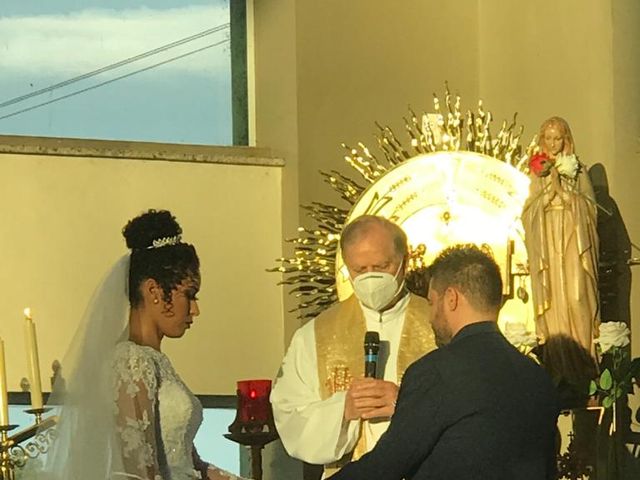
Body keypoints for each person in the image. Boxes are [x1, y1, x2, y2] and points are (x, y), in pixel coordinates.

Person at [31, 210, 245, 480]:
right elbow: (138, 471)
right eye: (189, 295)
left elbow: (189, 464)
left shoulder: (156, 361)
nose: (195, 310)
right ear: (154, 291)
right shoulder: (130, 361)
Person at [326, 244, 560, 480]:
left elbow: (386, 466)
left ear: (451, 298)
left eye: (431, 302)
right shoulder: (536, 376)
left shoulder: (436, 372)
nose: (430, 316)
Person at [270, 215, 436, 477]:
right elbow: (290, 417)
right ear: (346, 269)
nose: (371, 277)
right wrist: (343, 410)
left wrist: (406, 404)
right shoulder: (314, 336)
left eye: (381, 266)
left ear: (404, 262)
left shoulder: (439, 324)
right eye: (360, 269)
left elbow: (470, 407)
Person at [522, 116, 599, 399]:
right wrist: (548, 194)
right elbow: (528, 212)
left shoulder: (577, 170)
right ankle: (557, 368)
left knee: (577, 297)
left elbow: (591, 212)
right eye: (549, 139)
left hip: (572, 243)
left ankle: (584, 368)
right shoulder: (537, 172)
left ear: (566, 140)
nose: (554, 145)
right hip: (548, 244)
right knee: (554, 301)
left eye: (559, 139)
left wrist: (569, 199)